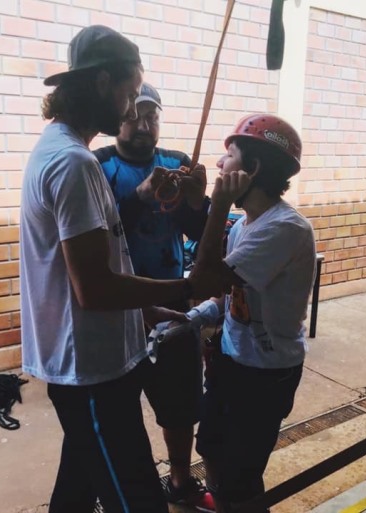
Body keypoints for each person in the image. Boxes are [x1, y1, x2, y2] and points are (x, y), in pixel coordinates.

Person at [19, 25, 224, 513]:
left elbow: (96, 270)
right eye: (131, 96)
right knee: (137, 499)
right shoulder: (76, 163)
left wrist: (148, 311)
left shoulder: (61, 150)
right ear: (101, 82)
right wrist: (190, 285)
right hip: (90, 372)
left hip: (94, 362)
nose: (134, 111)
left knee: (77, 489)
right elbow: (93, 288)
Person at [184, 114, 316, 512]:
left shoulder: (284, 230)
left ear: (253, 168)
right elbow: (226, 295)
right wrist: (192, 319)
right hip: (232, 359)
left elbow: (204, 278)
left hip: (264, 376)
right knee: (210, 445)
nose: (220, 165)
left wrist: (217, 203)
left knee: (241, 474)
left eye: (229, 155)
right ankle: (221, 500)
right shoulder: (246, 225)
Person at [94, 83, 215, 511]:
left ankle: (180, 482)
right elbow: (97, 238)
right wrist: (139, 197)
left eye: (153, 117)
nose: (144, 125)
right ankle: (116, 491)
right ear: (120, 116)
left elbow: (202, 233)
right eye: (134, 115)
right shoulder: (98, 165)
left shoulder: (178, 162)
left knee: (180, 406)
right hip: (120, 309)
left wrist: (200, 203)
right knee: (116, 416)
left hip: (172, 305)